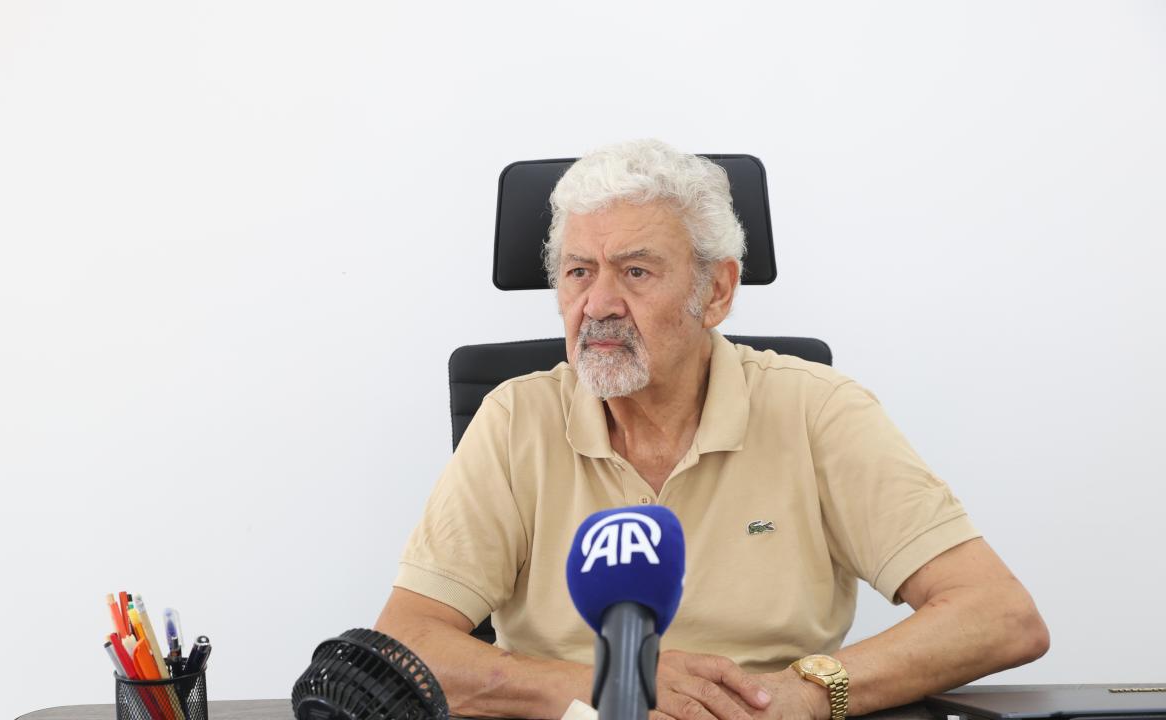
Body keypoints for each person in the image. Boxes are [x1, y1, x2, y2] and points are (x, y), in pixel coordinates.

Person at [375, 139, 1048, 720]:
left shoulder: (817, 409)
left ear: (717, 292)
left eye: (635, 271)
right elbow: (405, 646)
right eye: (579, 272)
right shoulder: (515, 419)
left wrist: (808, 691)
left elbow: (998, 614)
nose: (598, 304)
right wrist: (612, 688)